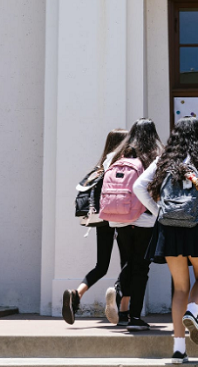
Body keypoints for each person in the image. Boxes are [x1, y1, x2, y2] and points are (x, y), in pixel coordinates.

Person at [134, 117, 198, 364]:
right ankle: (193, 312)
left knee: (180, 287)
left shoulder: (163, 160)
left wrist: (158, 210)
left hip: (169, 227)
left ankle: (179, 350)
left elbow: (139, 186)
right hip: (196, 225)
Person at [62, 128, 128, 326]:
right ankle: (119, 301)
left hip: (102, 217)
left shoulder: (102, 164)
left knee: (102, 265)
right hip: (123, 217)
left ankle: (77, 293)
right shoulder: (124, 162)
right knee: (128, 262)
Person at [103, 119, 164, 332]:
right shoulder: (154, 157)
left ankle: (119, 297)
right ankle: (135, 317)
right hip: (145, 218)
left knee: (128, 261)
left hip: (119, 217)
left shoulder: (116, 156)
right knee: (141, 267)